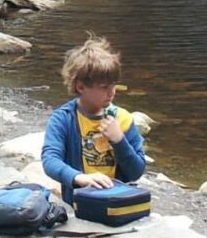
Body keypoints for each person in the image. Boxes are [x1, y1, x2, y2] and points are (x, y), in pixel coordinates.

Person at [40, 36, 147, 196]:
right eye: (104, 87)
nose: (112, 92)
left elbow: (136, 172)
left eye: (114, 85)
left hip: (117, 199)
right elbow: (50, 160)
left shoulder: (123, 118)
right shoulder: (63, 119)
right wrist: (80, 178)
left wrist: (119, 140)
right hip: (81, 202)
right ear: (81, 87)